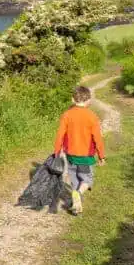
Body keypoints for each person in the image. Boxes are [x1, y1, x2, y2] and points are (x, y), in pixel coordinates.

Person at [53, 85, 105, 216]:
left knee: (75, 180)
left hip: (70, 155)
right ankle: (78, 194)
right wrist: (101, 155)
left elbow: (60, 135)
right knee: (87, 180)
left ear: (72, 99)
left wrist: (57, 152)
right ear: (89, 100)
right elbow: (97, 138)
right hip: (85, 156)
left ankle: (76, 206)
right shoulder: (91, 116)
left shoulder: (67, 115)